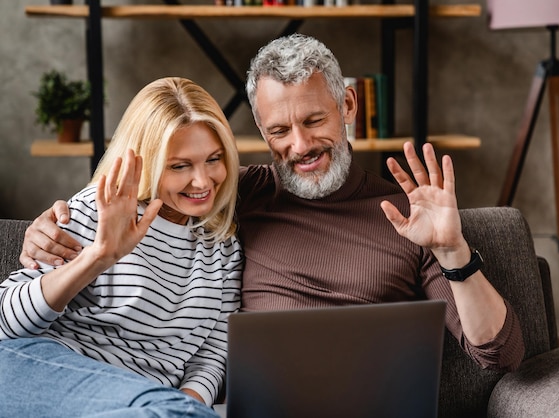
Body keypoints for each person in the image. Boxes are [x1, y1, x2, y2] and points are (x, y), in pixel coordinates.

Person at [20, 34, 524, 373]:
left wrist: (454, 251)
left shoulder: (408, 215)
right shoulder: (232, 192)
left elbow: (500, 356)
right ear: (260, 131)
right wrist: (51, 225)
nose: (300, 146)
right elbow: (147, 189)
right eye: (279, 130)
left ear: (347, 107)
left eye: (314, 121)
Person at [1, 77, 243, 417]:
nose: (203, 181)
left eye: (214, 159)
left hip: (144, 404)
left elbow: (214, 351)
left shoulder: (223, 247)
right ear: (144, 162)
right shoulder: (104, 209)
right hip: (44, 372)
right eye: (179, 166)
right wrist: (99, 256)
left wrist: (189, 402)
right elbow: (5, 322)